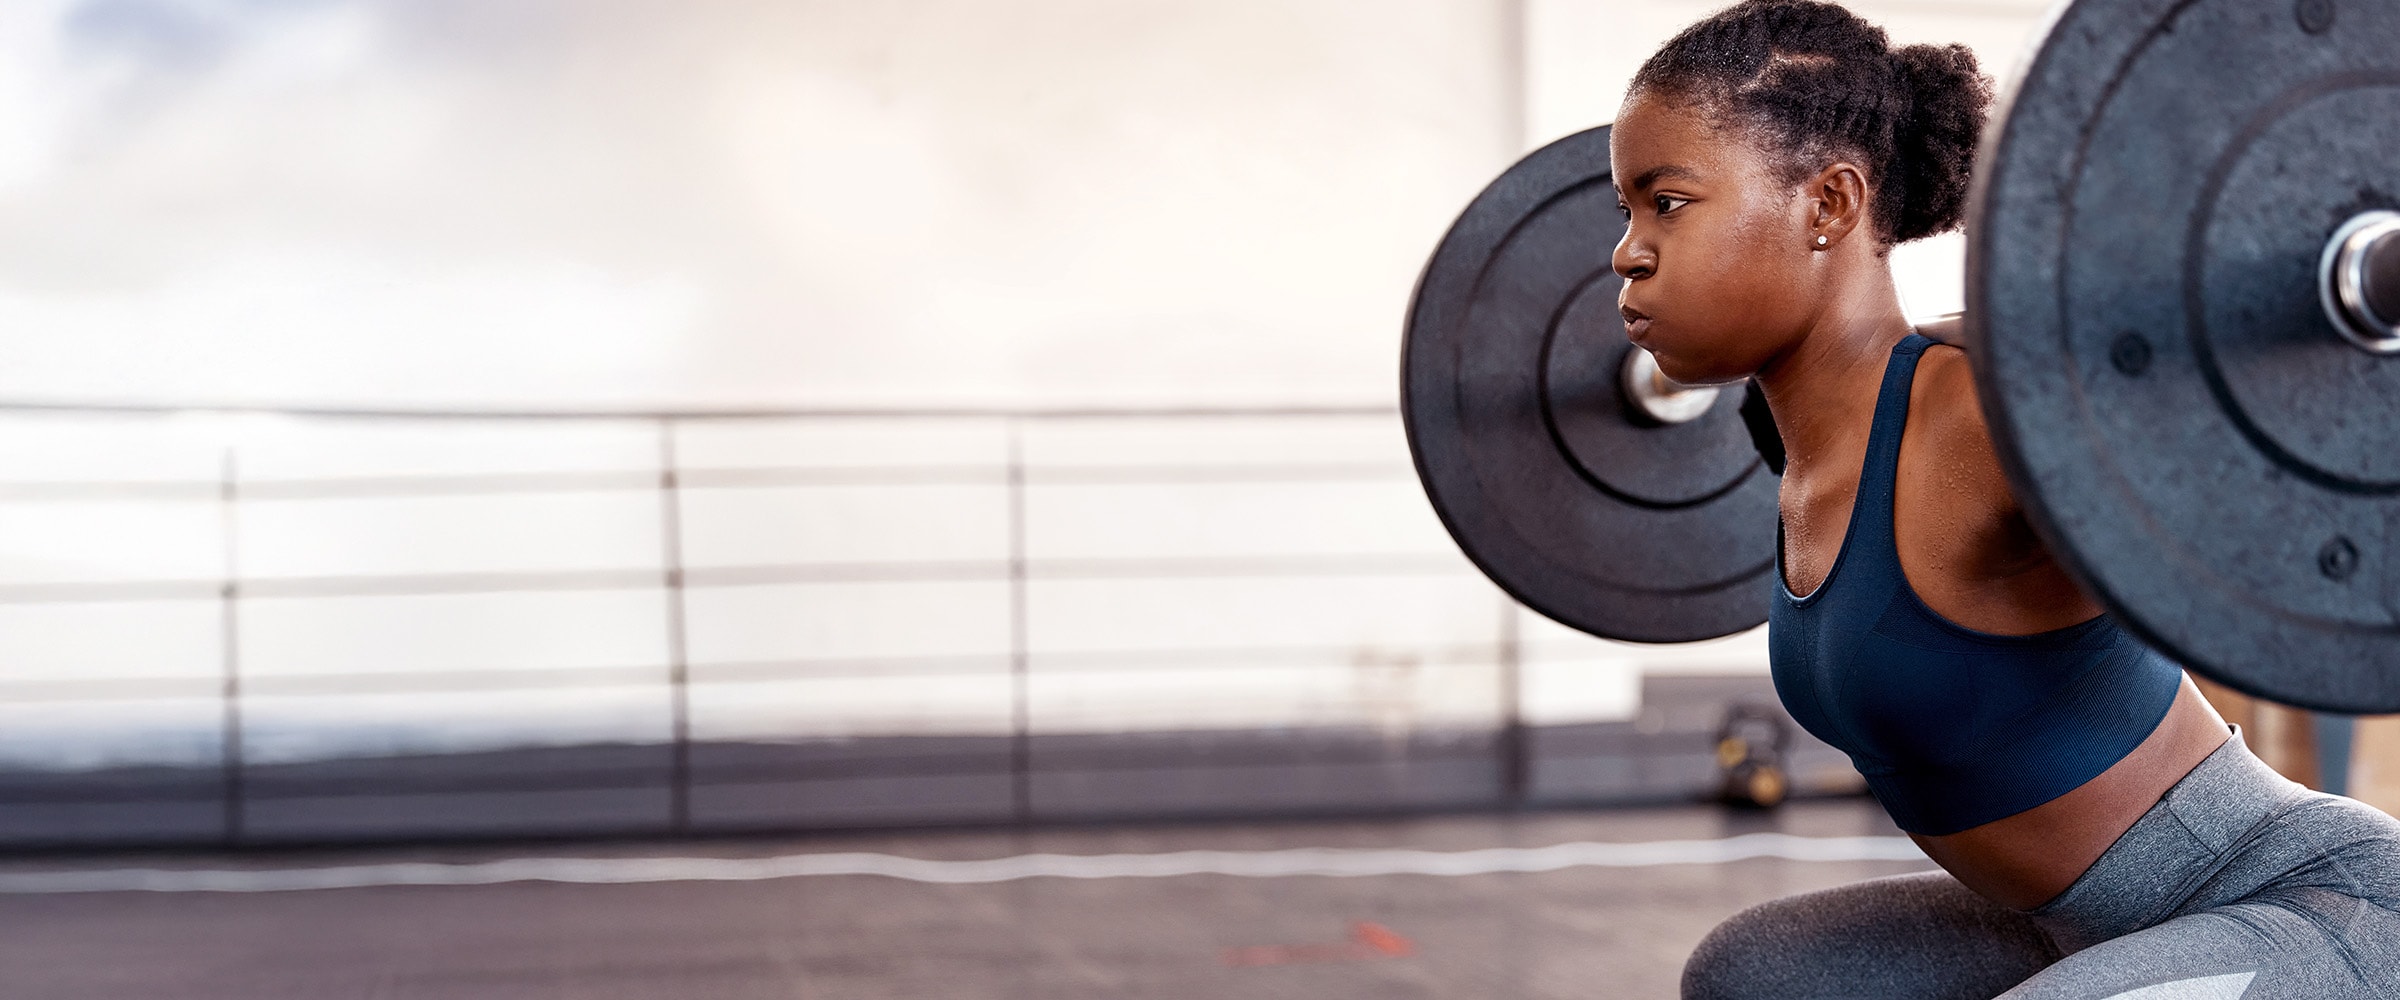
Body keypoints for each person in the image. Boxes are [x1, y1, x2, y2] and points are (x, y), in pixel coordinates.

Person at [1607, 2, 2400, 997]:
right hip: (2064, 928)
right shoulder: (1804, 452)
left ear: (1830, 205)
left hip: (2309, 902)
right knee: (1751, 976)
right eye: (1624, 214)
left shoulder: (1988, 413)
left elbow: (2236, 474)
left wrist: (2287, 335)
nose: (1627, 252)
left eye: (1666, 203)